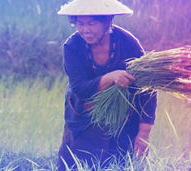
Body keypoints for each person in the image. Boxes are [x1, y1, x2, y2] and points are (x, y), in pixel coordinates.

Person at [57, 0, 157, 170]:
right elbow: (80, 89)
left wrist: (144, 132)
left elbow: (148, 87)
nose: (85, 30)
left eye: (91, 23)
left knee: (117, 163)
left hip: (122, 117)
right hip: (83, 114)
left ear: (107, 22)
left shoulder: (128, 44)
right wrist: (111, 77)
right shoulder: (72, 46)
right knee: (78, 163)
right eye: (80, 24)